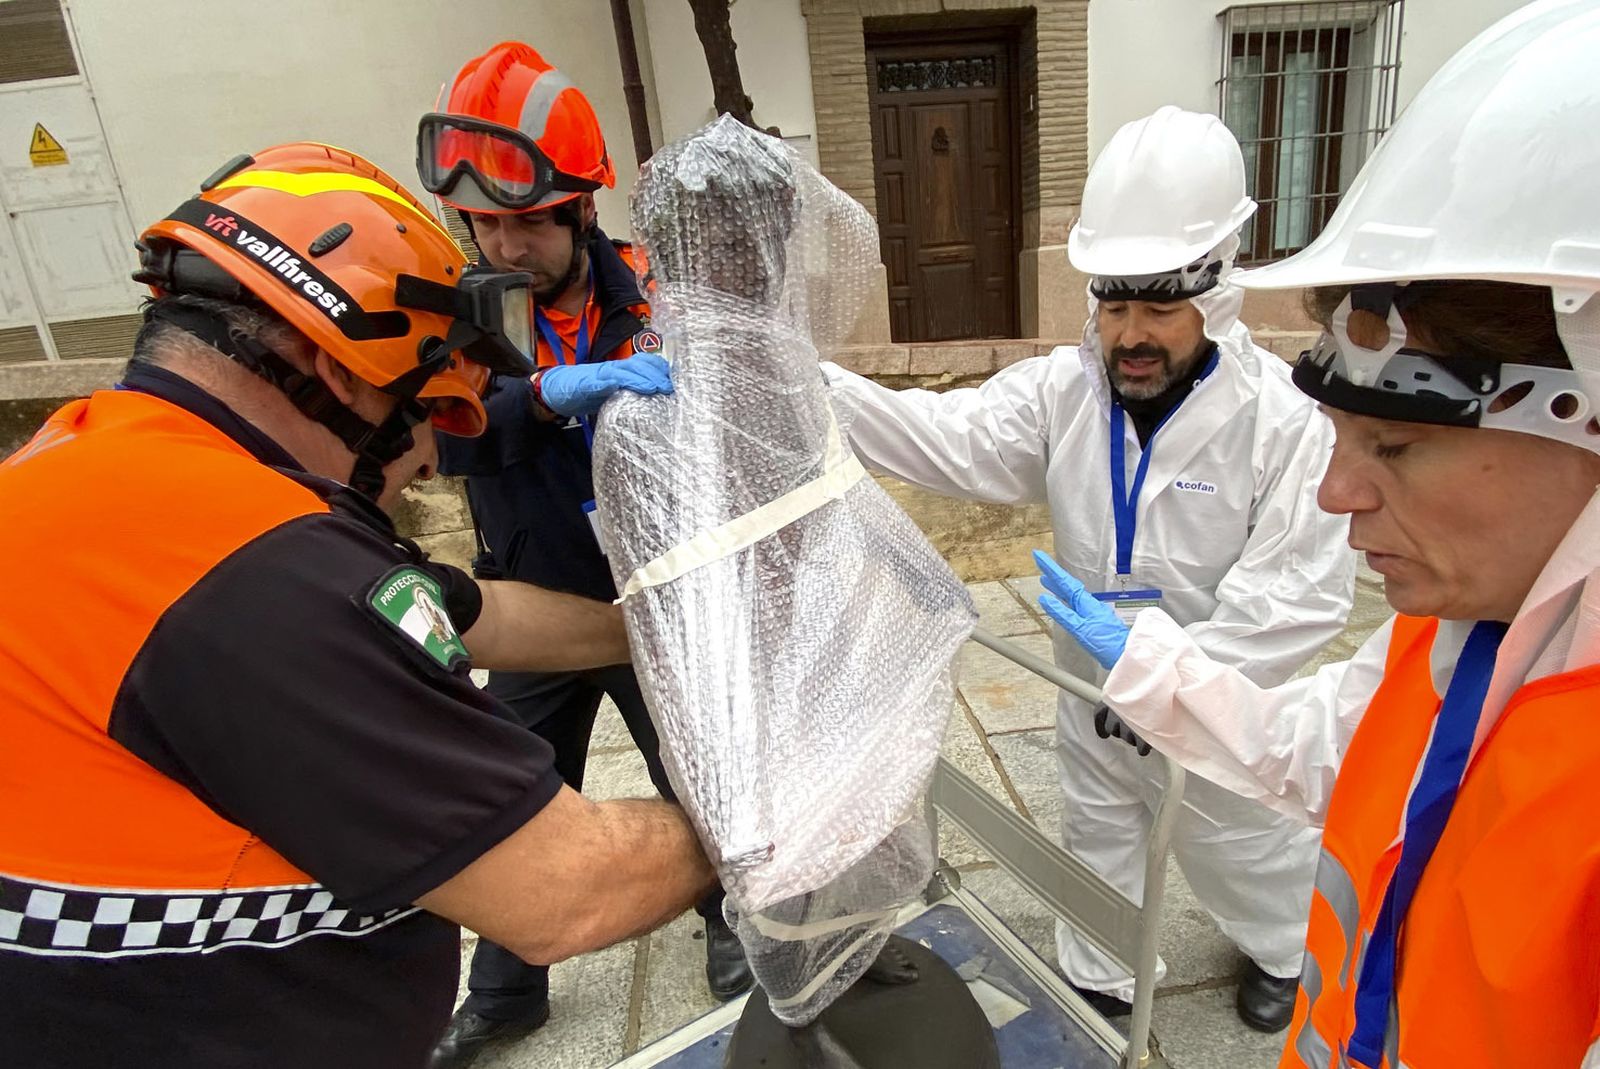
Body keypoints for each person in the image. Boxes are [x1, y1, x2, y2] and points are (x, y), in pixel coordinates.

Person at [0, 143, 715, 1069]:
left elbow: (471, 610)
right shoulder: (258, 575)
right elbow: (566, 889)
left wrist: (654, 626)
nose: (426, 462)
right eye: (427, 416)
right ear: (335, 369)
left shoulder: (103, 465)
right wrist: (773, 805)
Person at [1036, 1, 1600, 1062]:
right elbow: (1326, 746)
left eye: (1392, 445)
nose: (1335, 496)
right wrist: (1157, 675)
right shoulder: (1469, 634)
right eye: (1338, 436)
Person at [824, 106, 1356, 1032]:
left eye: (1159, 307)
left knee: (1243, 842)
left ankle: (1278, 947)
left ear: (1217, 296)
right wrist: (800, 380)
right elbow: (941, 435)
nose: (1131, 335)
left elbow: (1295, 595)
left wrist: (1179, 688)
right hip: (1087, 681)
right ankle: (1102, 977)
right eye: (1115, 307)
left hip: (1218, 694)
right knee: (1098, 827)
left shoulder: (1283, 422)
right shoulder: (1064, 394)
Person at [414, 41, 751, 1066]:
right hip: (528, 600)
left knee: (696, 774)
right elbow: (444, 437)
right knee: (510, 800)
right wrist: (542, 396)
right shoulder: (456, 314)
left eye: (527, 221)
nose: (505, 244)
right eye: (485, 221)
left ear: (578, 212)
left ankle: (734, 931)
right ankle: (508, 989)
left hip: (654, 593)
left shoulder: (651, 295)